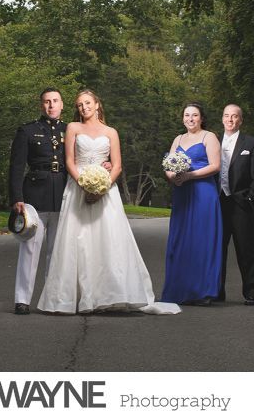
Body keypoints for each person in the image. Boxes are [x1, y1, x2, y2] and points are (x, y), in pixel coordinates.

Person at [37, 89, 180, 315]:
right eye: (80, 105)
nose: (84, 108)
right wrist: (84, 183)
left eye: (87, 103)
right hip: (78, 187)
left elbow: (118, 165)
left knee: (108, 240)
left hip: (106, 189)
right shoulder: (73, 128)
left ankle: (110, 295)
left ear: (97, 104)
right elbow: (69, 162)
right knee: (78, 240)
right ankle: (76, 297)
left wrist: (103, 187)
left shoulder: (111, 132)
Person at [8, 88, 68, 315]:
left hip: (63, 194)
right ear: (41, 105)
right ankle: (22, 299)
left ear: (62, 104)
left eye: (55, 101)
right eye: (46, 102)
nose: (51, 105)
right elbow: (16, 167)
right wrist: (17, 198)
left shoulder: (69, 130)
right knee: (30, 249)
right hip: (34, 196)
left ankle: (52, 298)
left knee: (57, 251)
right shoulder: (27, 131)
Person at [160, 103, 222, 305]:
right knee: (180, 240)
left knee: (201, 240)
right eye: (187, 115)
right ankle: (179, 289)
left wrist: (189, 175)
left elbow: (215, 166)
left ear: (201, 118)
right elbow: (168, 165)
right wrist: (173, 176)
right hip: (182, 193)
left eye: (195, 115)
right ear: (182, 118)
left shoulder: (209, 137)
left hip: (203, 193)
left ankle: (202, 291)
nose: (190, 118)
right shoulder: (178, 139)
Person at [216, 104, 254, 306]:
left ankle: (252, 292)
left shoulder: (252, 144)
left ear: (240, 120)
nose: (230, 119)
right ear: (222, 119)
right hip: (217, 203)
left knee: (247, 249)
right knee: (217, 249)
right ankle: (217, 291)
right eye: (226, 116)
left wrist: (251, 200)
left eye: (234, 116)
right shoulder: (212, 142)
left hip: (241, 204)